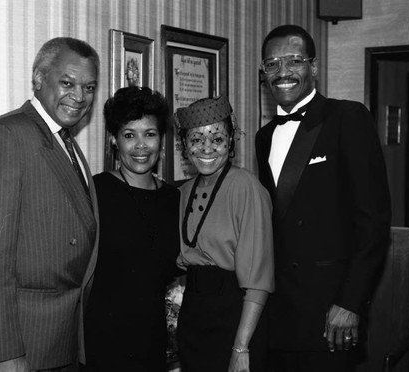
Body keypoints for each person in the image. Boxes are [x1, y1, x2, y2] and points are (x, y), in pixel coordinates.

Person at [0, 37, 100, 372]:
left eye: (90, 87)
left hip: (59, 343)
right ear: (39, 79)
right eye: (67, 83)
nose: (79, 97)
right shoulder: (5, 137)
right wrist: (8, 355)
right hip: (22, 349)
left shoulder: (66, 143)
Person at [255, 25, 391, 371]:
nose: (282, 72)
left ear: (313, 67)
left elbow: (373, 223)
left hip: (331, 311)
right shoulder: (263, 137)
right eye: (272, 64)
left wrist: (350, 303)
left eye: (294, 60)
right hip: (278, 311)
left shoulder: (347, 117)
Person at [83, 86, 181, 372]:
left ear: (161, 141)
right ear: (114, 140)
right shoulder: (95, 191)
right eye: (129, 135)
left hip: (152, 341)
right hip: (101, 342)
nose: (141, 146)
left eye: (149, 134)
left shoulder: (174, 198)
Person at [174, 96, 275, 372]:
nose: (207, 148)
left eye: (216, 139)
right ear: (184, 145)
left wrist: (241, 347)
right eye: (196, 140)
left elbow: (258, 280)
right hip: (194, 316)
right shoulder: (181, 193)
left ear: (230, 140)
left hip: (236, 318)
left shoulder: (246, 187)